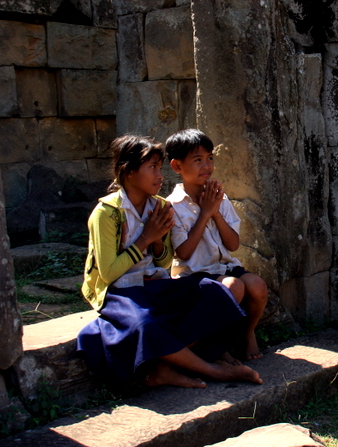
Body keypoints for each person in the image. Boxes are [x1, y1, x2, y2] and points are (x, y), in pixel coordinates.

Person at [76, 134, 263, 388]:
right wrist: (145, 239)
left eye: (159, 168)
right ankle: (211, 369)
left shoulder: (159, 207)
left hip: (156, 284)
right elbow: (108, 273)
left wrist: (155, 242)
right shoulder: (107, 213)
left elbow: (164, 263)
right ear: (129, 172)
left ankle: (165, 368)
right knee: (145, 324)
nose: (160, 175)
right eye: (152, 168)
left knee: (218, 294)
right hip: (120, 290)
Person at [165, 129, 269, 361]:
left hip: (224, 267)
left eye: (210, 158)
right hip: (193, 274)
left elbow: (232, 244)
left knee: (257, 285)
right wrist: (204, 214)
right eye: (197, 160)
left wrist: (215, 213)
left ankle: (247, 332)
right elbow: (183, 252)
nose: (207, 165)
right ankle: (216, 346)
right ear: (177, 166)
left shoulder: (218, 197)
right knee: (233, 286)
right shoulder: (172, 206)